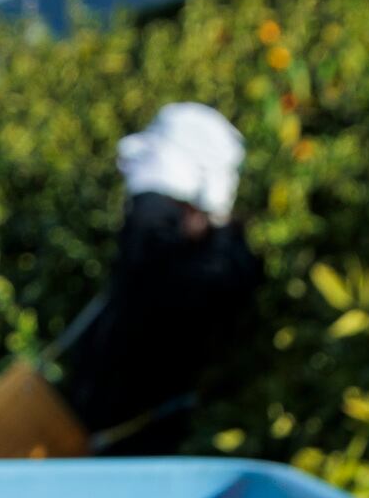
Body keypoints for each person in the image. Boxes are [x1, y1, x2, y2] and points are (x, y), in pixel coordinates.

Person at [57, 103, 263, 457]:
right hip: (104, 434)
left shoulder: (215, 265)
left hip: (152, 446)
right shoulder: (169, 245)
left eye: (161, 200)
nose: (142, 209)